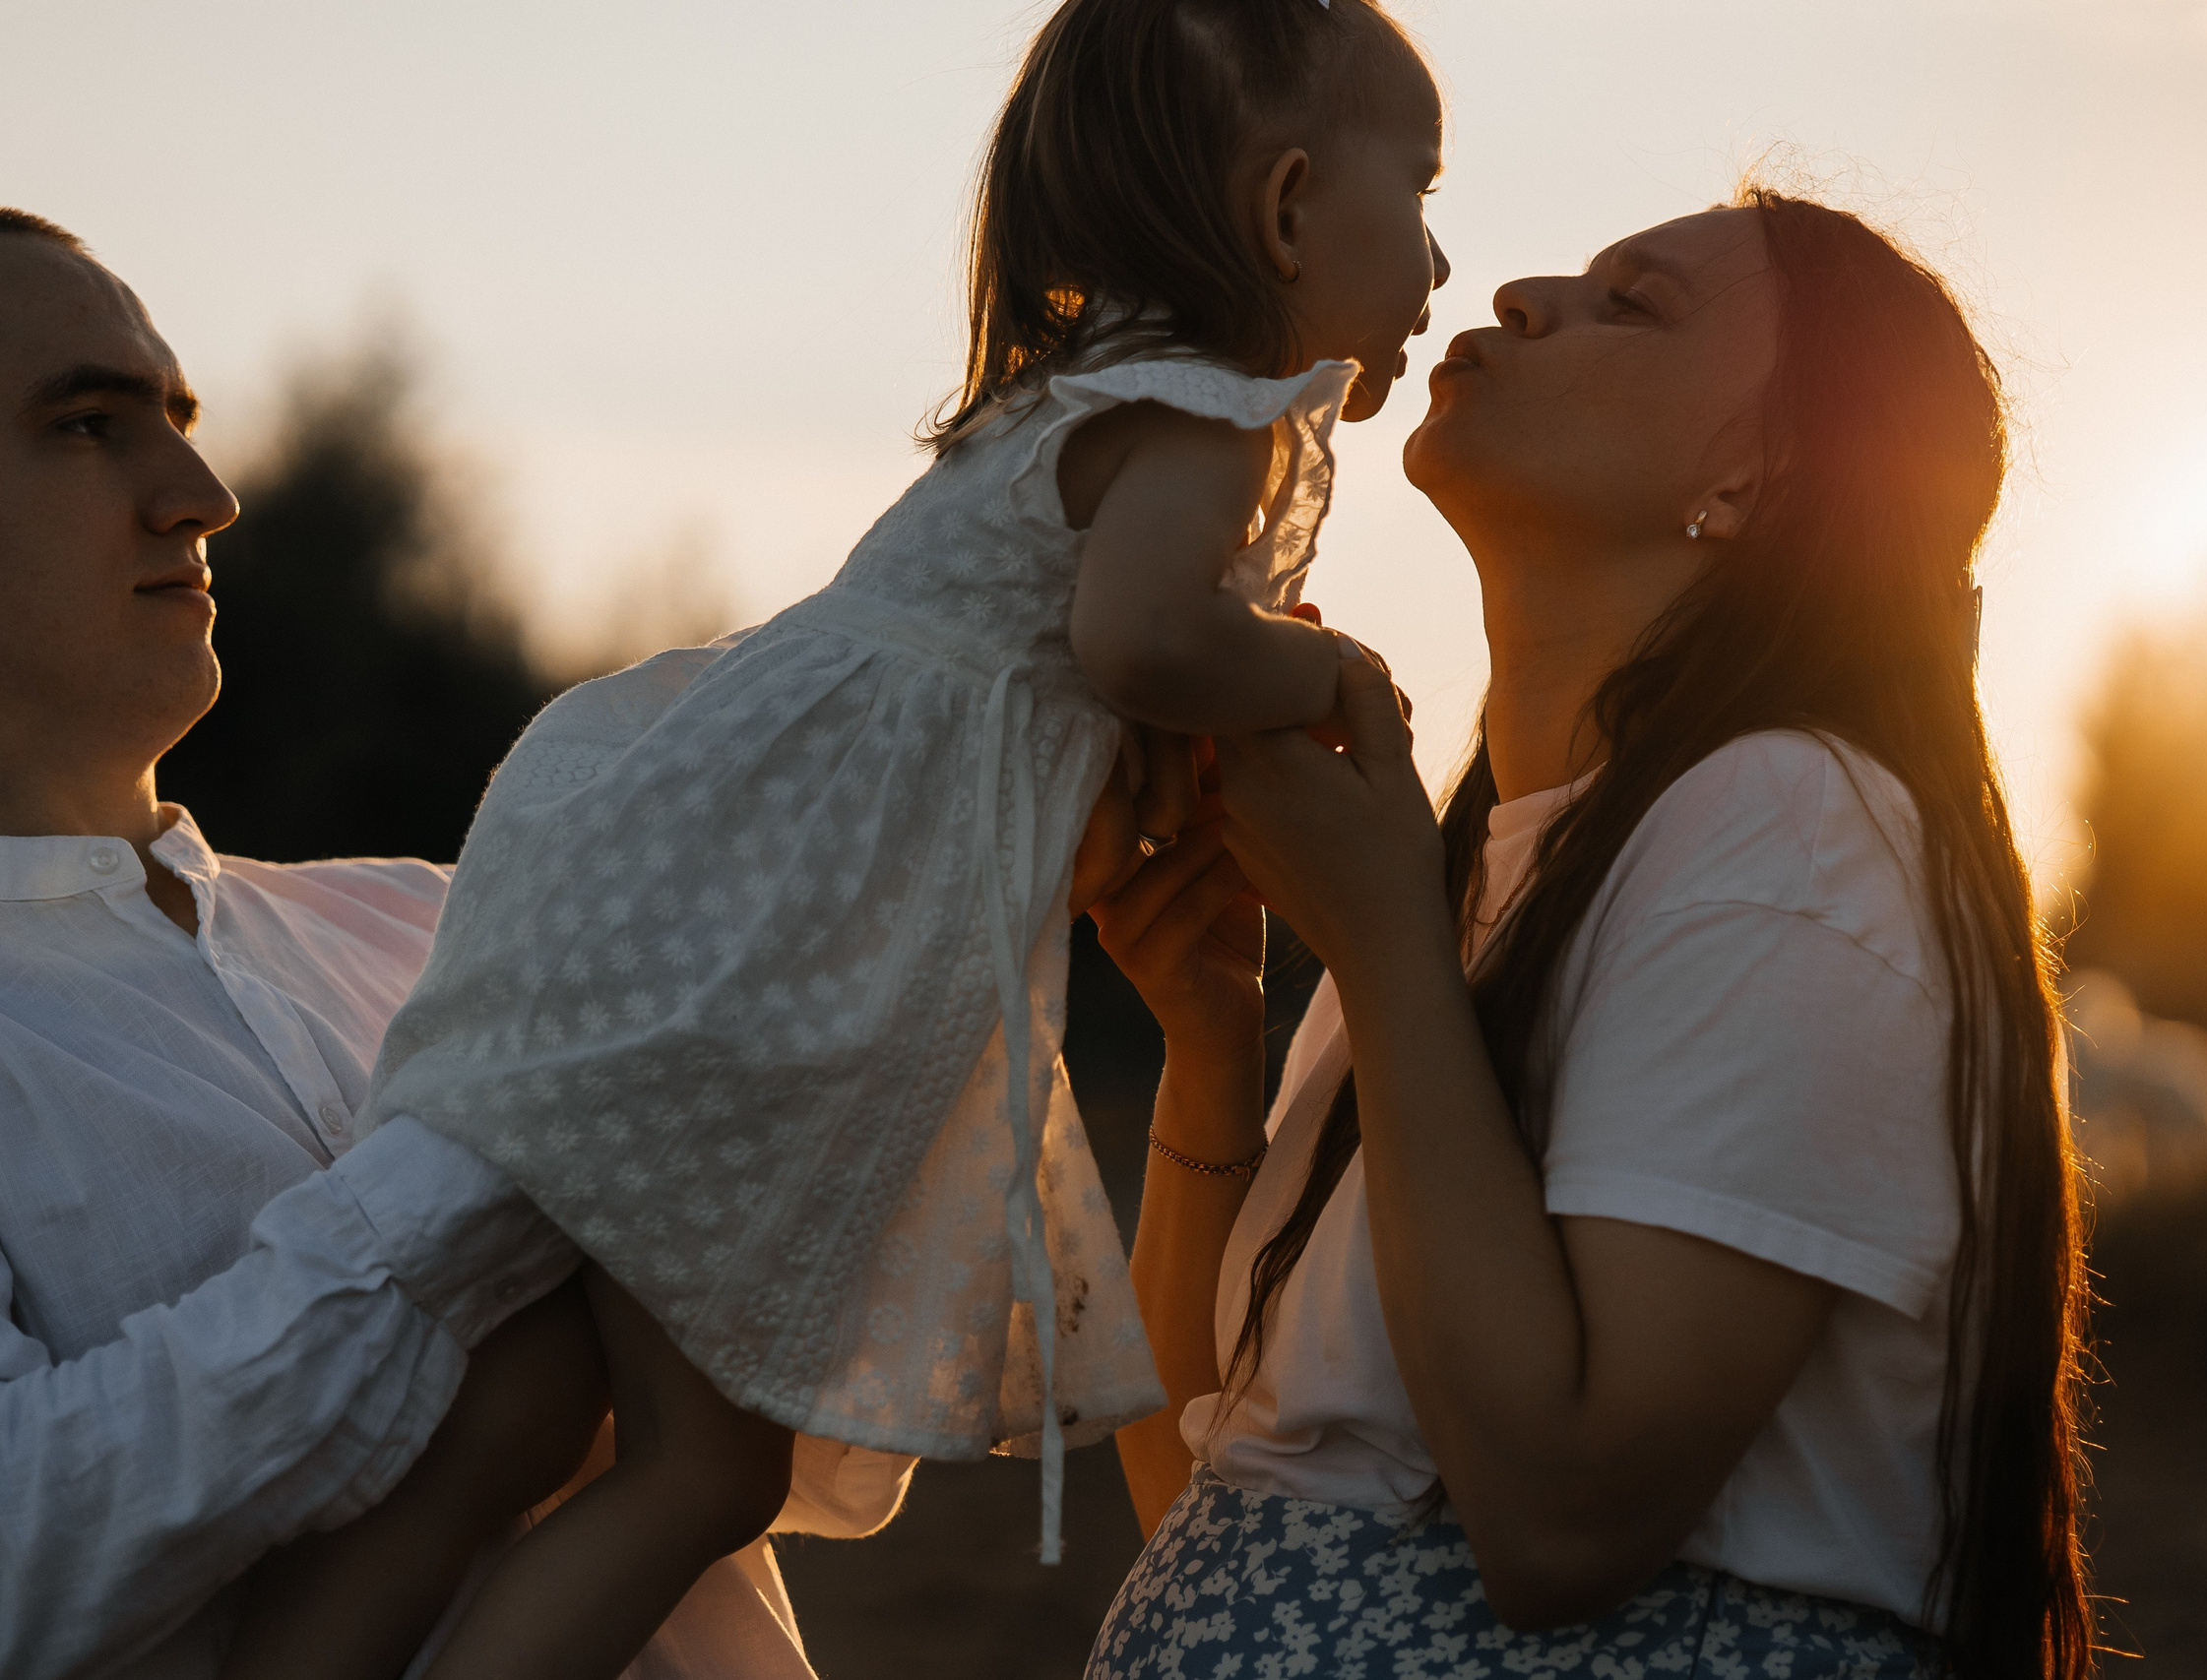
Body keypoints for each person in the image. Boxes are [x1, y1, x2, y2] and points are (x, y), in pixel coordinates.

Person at [219, 2, 1453, 1675]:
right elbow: (1141, 641)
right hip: (783, 957)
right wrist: (1324, 669)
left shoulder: (1078, 397)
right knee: (702, 1468)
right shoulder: (1210, 410)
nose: (1443, 263)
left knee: (522, 1413)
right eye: (1426, 191)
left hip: (698, 884)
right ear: (1294, 204)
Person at [1088, 191, 2096, 1678]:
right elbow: (1217, 1495)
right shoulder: (1491, 867)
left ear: (1757, 473)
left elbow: (1561, 1518)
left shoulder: (1791, 826)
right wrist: (1211, 1036)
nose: (1524, 294)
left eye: (1636, 304)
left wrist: (1376, 943)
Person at [0, 204, 851, 1680]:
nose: (202, 493)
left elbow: (855, 1437)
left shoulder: (444, 914)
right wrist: (478, 1169)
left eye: (183, 423)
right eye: (85, 425)